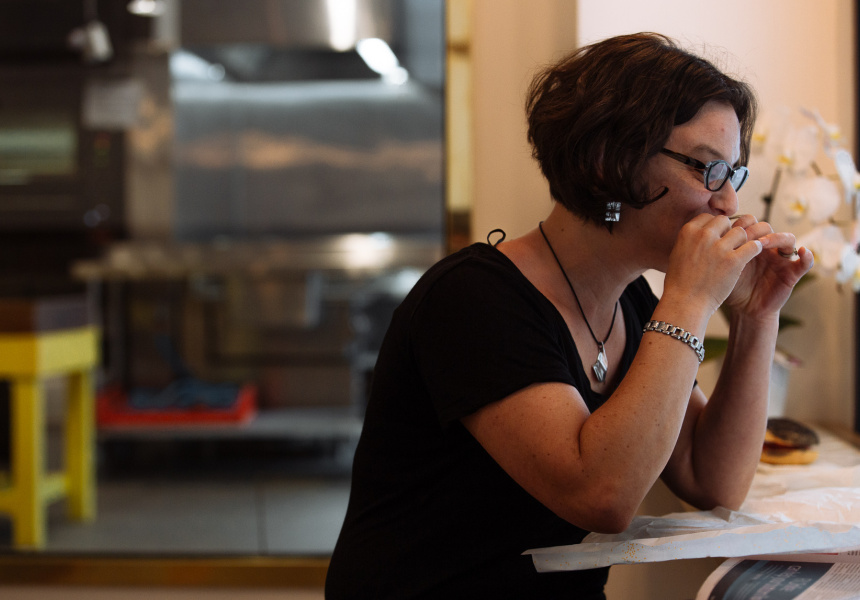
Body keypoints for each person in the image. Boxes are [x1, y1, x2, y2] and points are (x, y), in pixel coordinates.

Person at [325, 32, 813, 599]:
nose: (727, 203)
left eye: (733, 175)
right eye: (708, 169)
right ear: (608, 161)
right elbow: (600, 495)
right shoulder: (471, 299)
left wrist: (756, 316)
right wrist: (691, 300)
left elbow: (713, 480)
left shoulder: (633, 304)